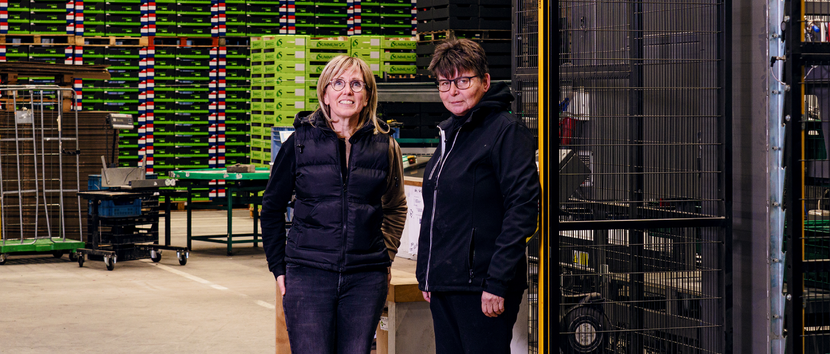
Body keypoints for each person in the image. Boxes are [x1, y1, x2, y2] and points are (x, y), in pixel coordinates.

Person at [260, 55, 407, 354]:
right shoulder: (299, 143)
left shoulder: (385, 145)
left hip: (365, 278)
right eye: (338, 83)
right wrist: (279, 267)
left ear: (367, 97)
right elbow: (272, 207)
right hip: (308, 274)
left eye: (356, 84)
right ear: (325, 94)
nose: (347, 91)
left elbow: (395, 207)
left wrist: (385, 256)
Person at [415, 38, 540, 354]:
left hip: (483, 286)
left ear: (485, 81)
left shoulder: (505, 132)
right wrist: (427, 274)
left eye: (463, 81)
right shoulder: (450, 134)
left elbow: (522, 209)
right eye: (445, 83)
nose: (453, 91)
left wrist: (496, 282)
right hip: (446, 282)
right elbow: (435, 211)